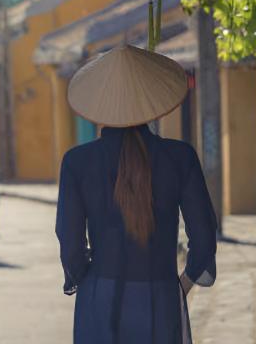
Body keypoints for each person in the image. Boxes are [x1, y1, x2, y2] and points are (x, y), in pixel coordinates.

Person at [56, 45, 217, 343]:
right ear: (148, 99)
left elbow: (70, 243)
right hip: (161, 295)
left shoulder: (77, 161)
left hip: (99, 298)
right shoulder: (180, 157)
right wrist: (181, 286)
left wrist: (89, 281)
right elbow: (204, 237)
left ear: (99, 102)